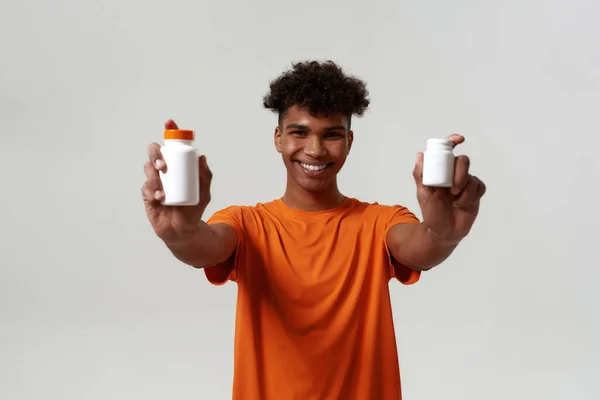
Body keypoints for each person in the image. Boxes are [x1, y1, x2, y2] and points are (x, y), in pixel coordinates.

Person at [142, 60, 486, 399]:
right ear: (278, 138)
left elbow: (419, 246)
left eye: (332, 135)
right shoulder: (246, 224)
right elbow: (203, 245)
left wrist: (444, 233)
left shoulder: (380, 222)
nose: (315, 150)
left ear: (350, 141)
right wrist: (179, 232)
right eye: (299, 132)